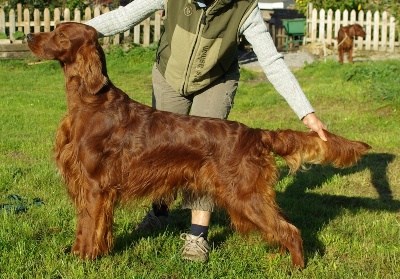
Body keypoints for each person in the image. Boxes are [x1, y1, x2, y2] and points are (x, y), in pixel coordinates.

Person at [86, 0, 328, 263]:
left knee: (208, 158)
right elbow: (122, 18)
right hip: (171, 75)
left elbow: (272, 61)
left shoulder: (245, 8)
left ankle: (197, 235)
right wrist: (72, 31)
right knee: (160, 150)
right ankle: (159, 211)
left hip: (216, 80)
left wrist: (307, 112)